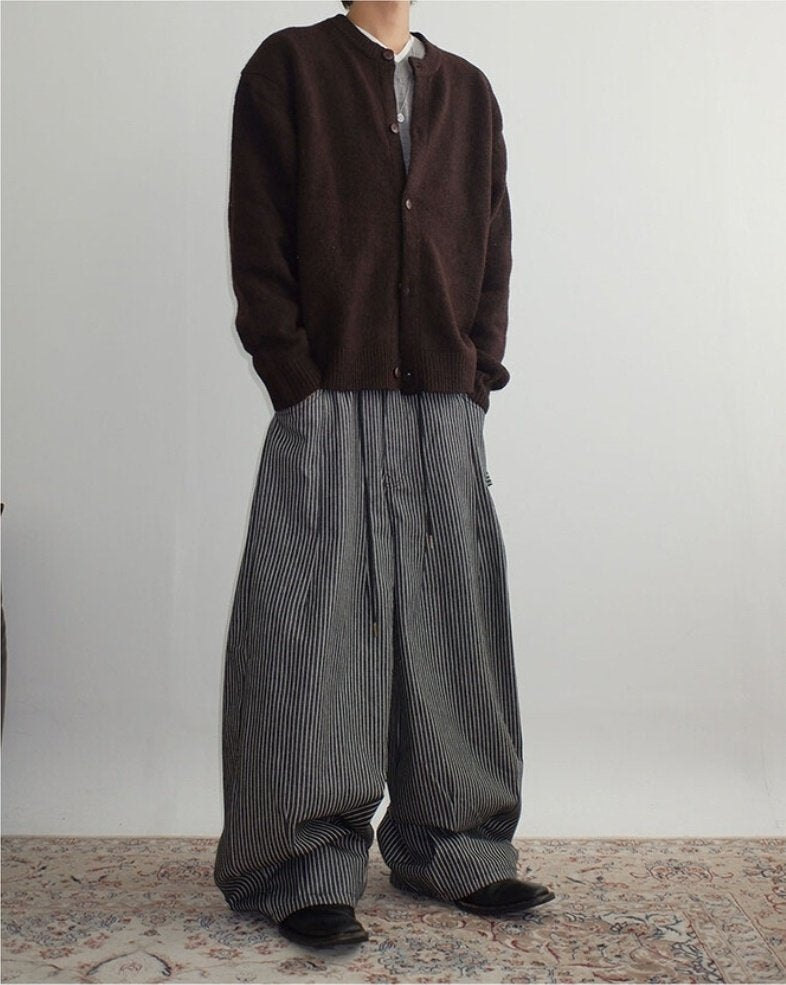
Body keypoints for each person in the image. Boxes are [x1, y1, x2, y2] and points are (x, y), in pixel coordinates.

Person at [213, 0, 556, 948]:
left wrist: (478, 372)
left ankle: (457, 848)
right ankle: (300, 868)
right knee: (312, 628)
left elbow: (493, 243)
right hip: (327, 389)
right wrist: (293, 378)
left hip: (443, 397)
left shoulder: (470, 92)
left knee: (453, 626)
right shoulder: (288, 67)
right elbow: (257, 233)